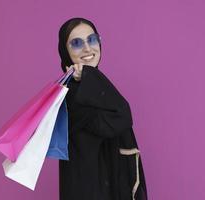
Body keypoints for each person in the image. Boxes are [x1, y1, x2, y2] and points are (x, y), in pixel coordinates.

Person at [58, 17, 148, 200]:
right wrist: (90, 76)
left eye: (92, 39)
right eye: (76, 43)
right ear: (65, 51)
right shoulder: (72, 95)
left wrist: (89, 77)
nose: (87, 48)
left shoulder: (92, 87)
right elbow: (122, 116)